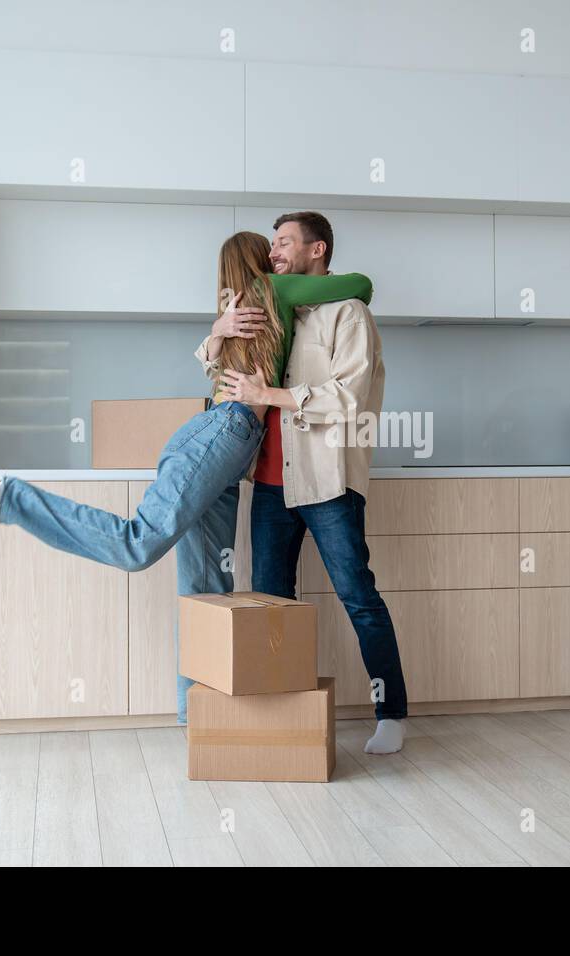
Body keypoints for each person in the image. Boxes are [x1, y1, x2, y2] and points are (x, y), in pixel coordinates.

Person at [0, 231, 372, 725]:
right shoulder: (274, 291)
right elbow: (361, 284)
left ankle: (197, 720)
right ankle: (15, 499)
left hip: (224, 440)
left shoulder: (235, 302)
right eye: (273, 249)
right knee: (139, 545)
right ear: (260, 260)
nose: (279, 256)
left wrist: (217, 331)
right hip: (223, 431)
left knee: (206, 589)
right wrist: (224, 329)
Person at [206, 212, 409, 755]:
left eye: (284, 242)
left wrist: (267, 397)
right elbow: (222, 370)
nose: (274, 251)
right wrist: (215, 334)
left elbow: (350, 397)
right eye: (272, 242)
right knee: (272, 604)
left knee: (359, 598)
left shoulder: (350, 314)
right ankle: (283, 714)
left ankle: (391, 716)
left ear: (317, 250)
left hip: (328, 483)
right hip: (269, 484)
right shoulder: (277, 308)